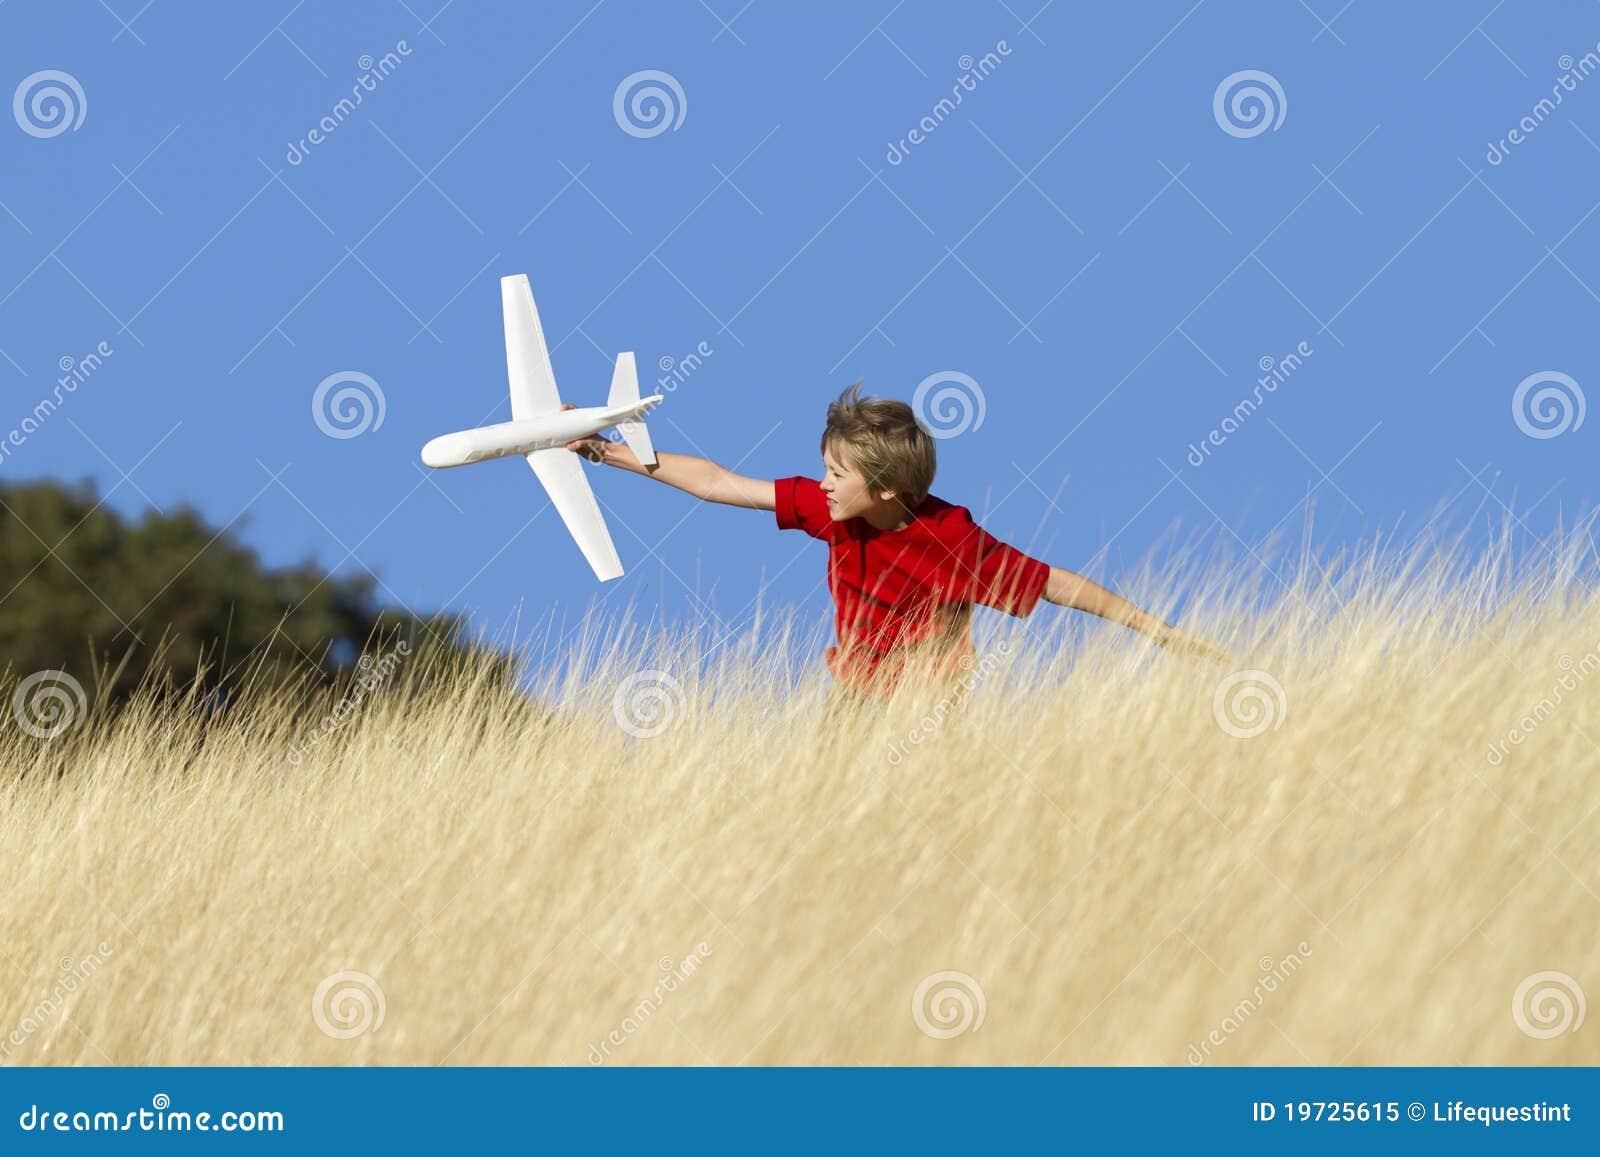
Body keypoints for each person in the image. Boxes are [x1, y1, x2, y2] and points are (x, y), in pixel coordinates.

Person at [563, 383, 1228, 698]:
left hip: (927, 708)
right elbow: (717, 483)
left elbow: (1056, 584)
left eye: (835, 472)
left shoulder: (951, 540)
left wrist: (1161, 631)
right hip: (853, 696)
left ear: (884, 488)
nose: (821, 482)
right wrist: (602, 450)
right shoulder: (832, 512)